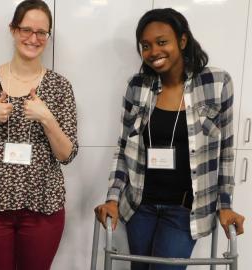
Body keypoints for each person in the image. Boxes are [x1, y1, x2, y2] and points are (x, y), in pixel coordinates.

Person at [94, 8, 245, 270]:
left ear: (182, 41)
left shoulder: (216, 82)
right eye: (145, 45)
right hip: (140, 205)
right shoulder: (138, 85)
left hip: (185, 210)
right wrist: (112, 198)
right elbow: (123, 148)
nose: (153, 51)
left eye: (162, 42)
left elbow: (227, 151)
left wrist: (226, 204)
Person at [0, 1, 78, 269]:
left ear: (48, 37)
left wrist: (47, 118)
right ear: (13, 30)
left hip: (43, 206)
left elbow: (67, 154)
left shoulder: (60, 86)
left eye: (41, 32)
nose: (33, 38)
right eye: (26, 29)